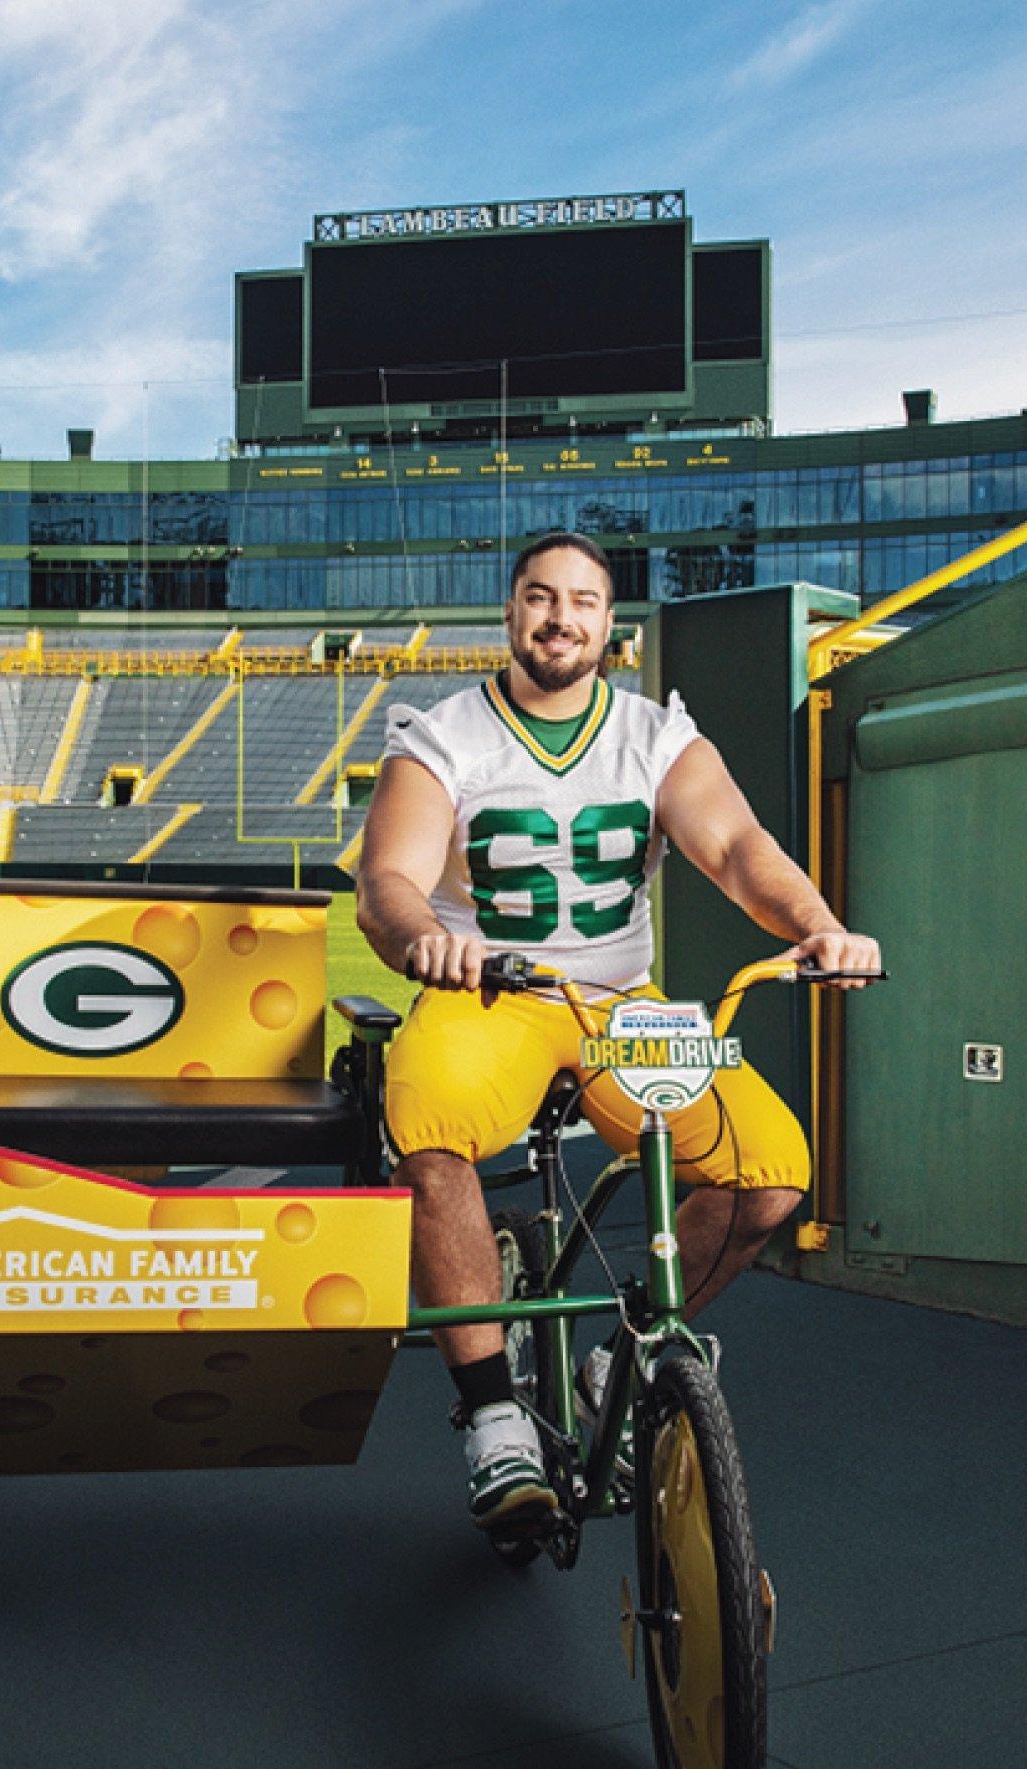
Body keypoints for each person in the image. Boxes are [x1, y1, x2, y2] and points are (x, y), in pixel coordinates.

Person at [355, 531, 883, 1533]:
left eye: (583, 601)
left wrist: (816, 924)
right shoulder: (444, 736)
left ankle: (621, 1352)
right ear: (511, 610)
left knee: (769, 1171)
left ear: (610, 622)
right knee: (429, 1131)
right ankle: (491, 1412)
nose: (560, 618)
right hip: (491, 994)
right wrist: (426, 937)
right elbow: (387, 879)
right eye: (540, 597)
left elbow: (734, 847)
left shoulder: (652, 735)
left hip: (617, 1002)